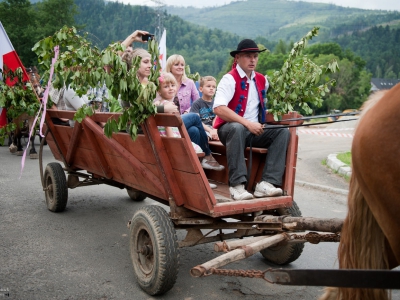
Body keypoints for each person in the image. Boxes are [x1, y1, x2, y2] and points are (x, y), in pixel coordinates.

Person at [213, 39, 290, 201]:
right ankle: (237, 186)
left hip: (253, 131)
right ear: (238, 58)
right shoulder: (229, 79)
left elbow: (263, 105)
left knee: (282, 132)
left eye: (255, 56)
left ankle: (267, 183)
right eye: (248, 56)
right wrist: (247, 123)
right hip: (228, 130)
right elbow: (218, 108)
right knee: (237, 128)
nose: (253, 60)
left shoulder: (262, 80)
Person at [153, 72, 202, 154]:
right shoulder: (169, 107)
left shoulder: (158, 104)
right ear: (159, 91)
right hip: (171, 138)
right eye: (166, 86)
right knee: (198, 149)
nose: (171, 88)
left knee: (194, 130)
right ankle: (207, 154)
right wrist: (173, 145)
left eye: (173, 85)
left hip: (162, 137)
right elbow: (167, 127)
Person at [190, 76, 219, 141]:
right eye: (208, 86)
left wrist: (214, 129)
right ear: (201, 89)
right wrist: (210, 130)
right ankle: (205, 150)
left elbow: (217, 118)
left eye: (214, 87)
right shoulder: (196, 104)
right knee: (205, 137)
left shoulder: (217, 103)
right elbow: (197, 121)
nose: (211, 88)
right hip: (202, 127)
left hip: (214, 128)